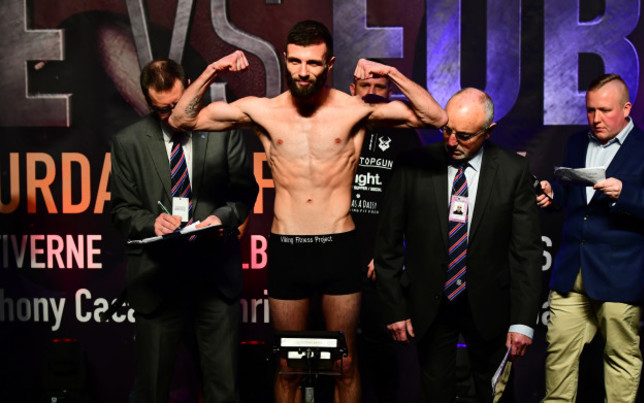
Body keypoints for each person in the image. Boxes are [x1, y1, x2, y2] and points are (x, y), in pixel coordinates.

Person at [169, 20, 447, 403]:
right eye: (296, 61)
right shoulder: (262, 111)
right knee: (289, 366)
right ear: (284, 59)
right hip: (288, 246)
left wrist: (391, 74)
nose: (303, 71)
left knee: (345, 364)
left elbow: (437, 119)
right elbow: (181, 119)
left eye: (313, 63)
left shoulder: (354, 110)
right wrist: (212, 71)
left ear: (329, 64)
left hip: (340, 247)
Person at [374, 87, 543, 402]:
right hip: (431, 305)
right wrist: (395, 308)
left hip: (491, 307)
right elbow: (387, 246)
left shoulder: (512, 171)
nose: (452, 141)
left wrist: (523, 321)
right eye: (447, 130)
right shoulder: (413, 166)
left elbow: (527, 254)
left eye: (464, 135)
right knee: (434, 393)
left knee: (495, 393)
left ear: (488, 132)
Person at [110, 58, 259, 402]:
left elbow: (243, 194)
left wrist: (221, 218)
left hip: (214, 277)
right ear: (148, 103)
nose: (172, 115)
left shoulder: (223, 132)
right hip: (158, 280)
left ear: (191, 86)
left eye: (178, 104)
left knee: (223, 390)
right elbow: (120, 210)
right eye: (162, 110)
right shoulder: (128, 143)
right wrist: (151, 222)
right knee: (152, 390)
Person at [537, 74, 644, 403]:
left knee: (620, 361)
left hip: (620, 277)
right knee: (558, 360)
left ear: (626, 109)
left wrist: (624, 193)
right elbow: (573, 194)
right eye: (590, 110)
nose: (596, 119)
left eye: (604, 110)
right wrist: (552, 194)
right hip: (572, 273)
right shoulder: (576, 142)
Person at [348, 73, 422, 403]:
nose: (373, 93)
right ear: (352, 90)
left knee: (384, 358)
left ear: (391, 92)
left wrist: (390, 254)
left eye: (380, 88)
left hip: (383, 264)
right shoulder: (340, 126)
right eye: (366, 87)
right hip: (341, 259)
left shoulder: (404, 133)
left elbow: (418, 202)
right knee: (342, 354)